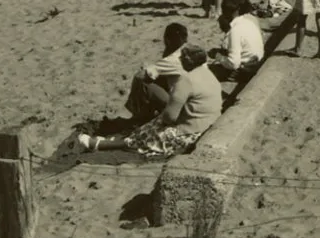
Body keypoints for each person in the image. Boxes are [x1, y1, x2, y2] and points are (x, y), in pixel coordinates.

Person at [80, 34, 222, 159]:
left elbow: (169, 117)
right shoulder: (206, 73)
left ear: (186, 61)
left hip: (191, 132)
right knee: (152, 126)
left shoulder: (185, 81)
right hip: (208, 123)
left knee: (148, 134)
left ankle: (103, 145)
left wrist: (159, 120)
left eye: (181, 58)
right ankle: (120, 139)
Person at [210, 0, 265, 81]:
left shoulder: (235, 30)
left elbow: (233, 64)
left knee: (206, 73)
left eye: (226, 11)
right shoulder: (251, 19)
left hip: (245, 70)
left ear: (235, 12)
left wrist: (217, 56)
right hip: (257, 60)